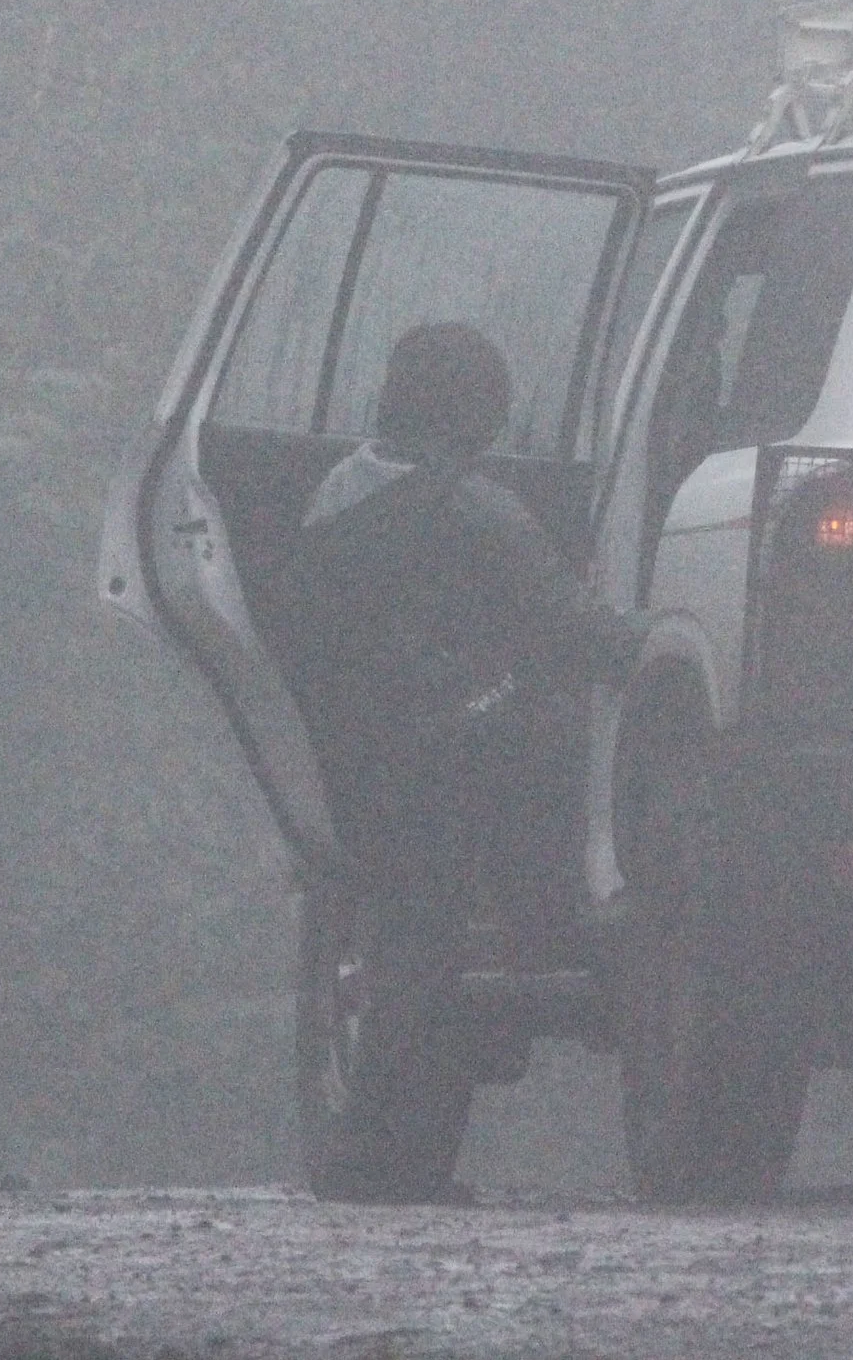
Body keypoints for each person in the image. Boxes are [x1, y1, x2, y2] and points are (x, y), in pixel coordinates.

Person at [284, 320, 640, 1202]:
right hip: (444, 760)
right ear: (470, 410)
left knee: (408, 950)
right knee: (426, 961)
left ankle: (393, 1164)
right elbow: (573, 629)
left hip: (361, 759)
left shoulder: (338, 492)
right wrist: (660, 641)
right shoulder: (472, 509)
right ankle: (383, 1162)